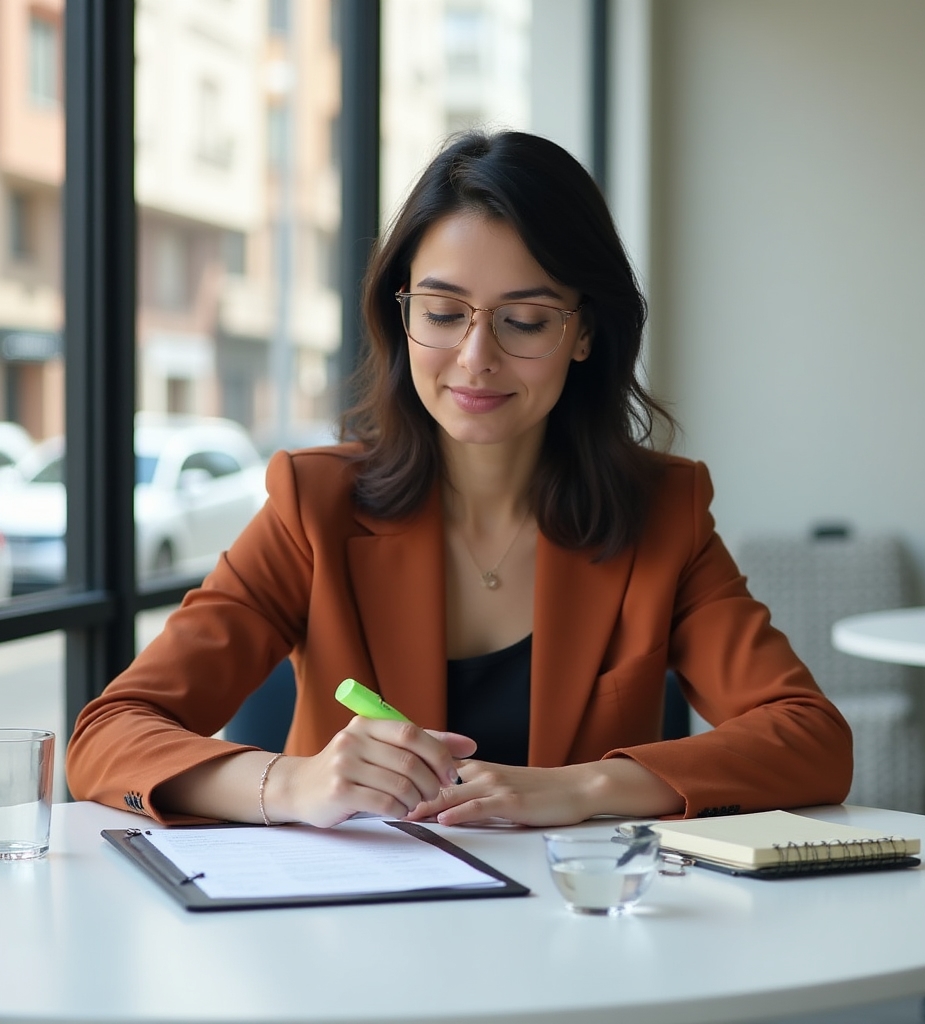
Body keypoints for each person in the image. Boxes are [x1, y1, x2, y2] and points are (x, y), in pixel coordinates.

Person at [66, 131, 852, 828]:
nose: (477, 357)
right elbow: (109, 736)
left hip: (577, 944)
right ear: (400, 316)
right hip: (354, 947)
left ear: (584, 334)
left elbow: (811, 739)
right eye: (444, 313)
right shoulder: (315, 506)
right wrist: (292, 782)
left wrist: (583, 787)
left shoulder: (660, 514)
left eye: (526, 319)